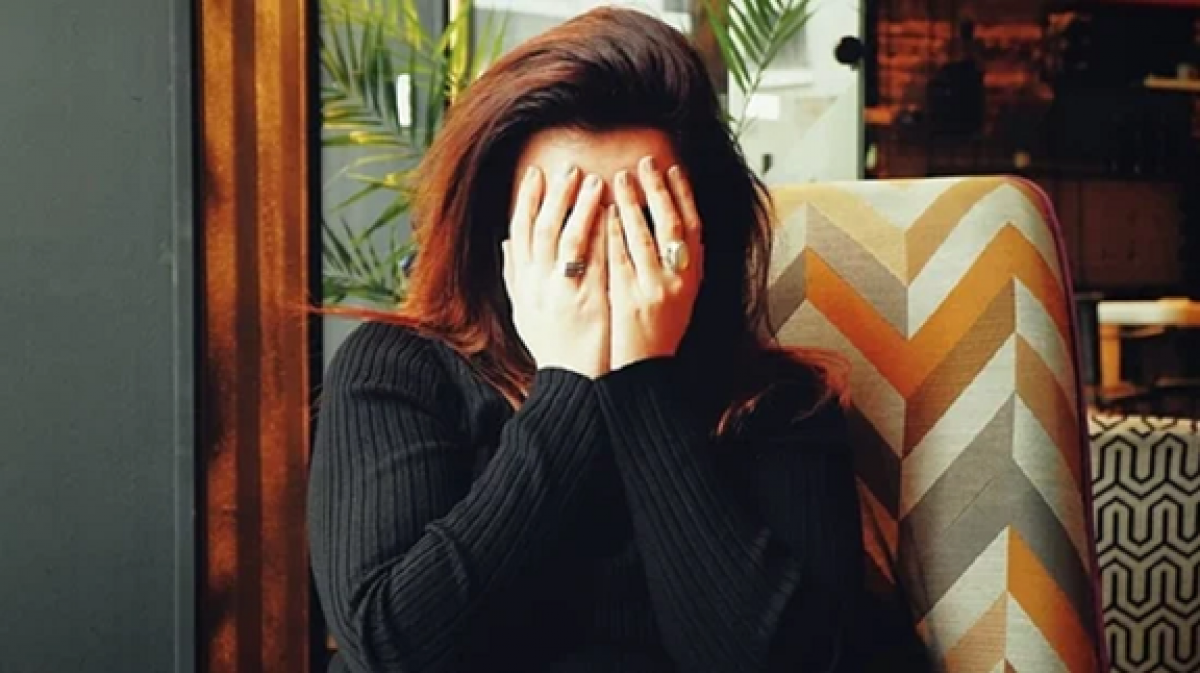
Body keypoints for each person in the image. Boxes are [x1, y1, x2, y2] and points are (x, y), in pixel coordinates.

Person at [308, 7, 929, 672]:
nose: (605, 252)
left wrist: (639, 378)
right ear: (501, 235)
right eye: (565, 220)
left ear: (700, 234)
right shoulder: (398, 370)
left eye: (641, 220)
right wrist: (568, 380)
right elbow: (394, 649)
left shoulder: (778, 405)